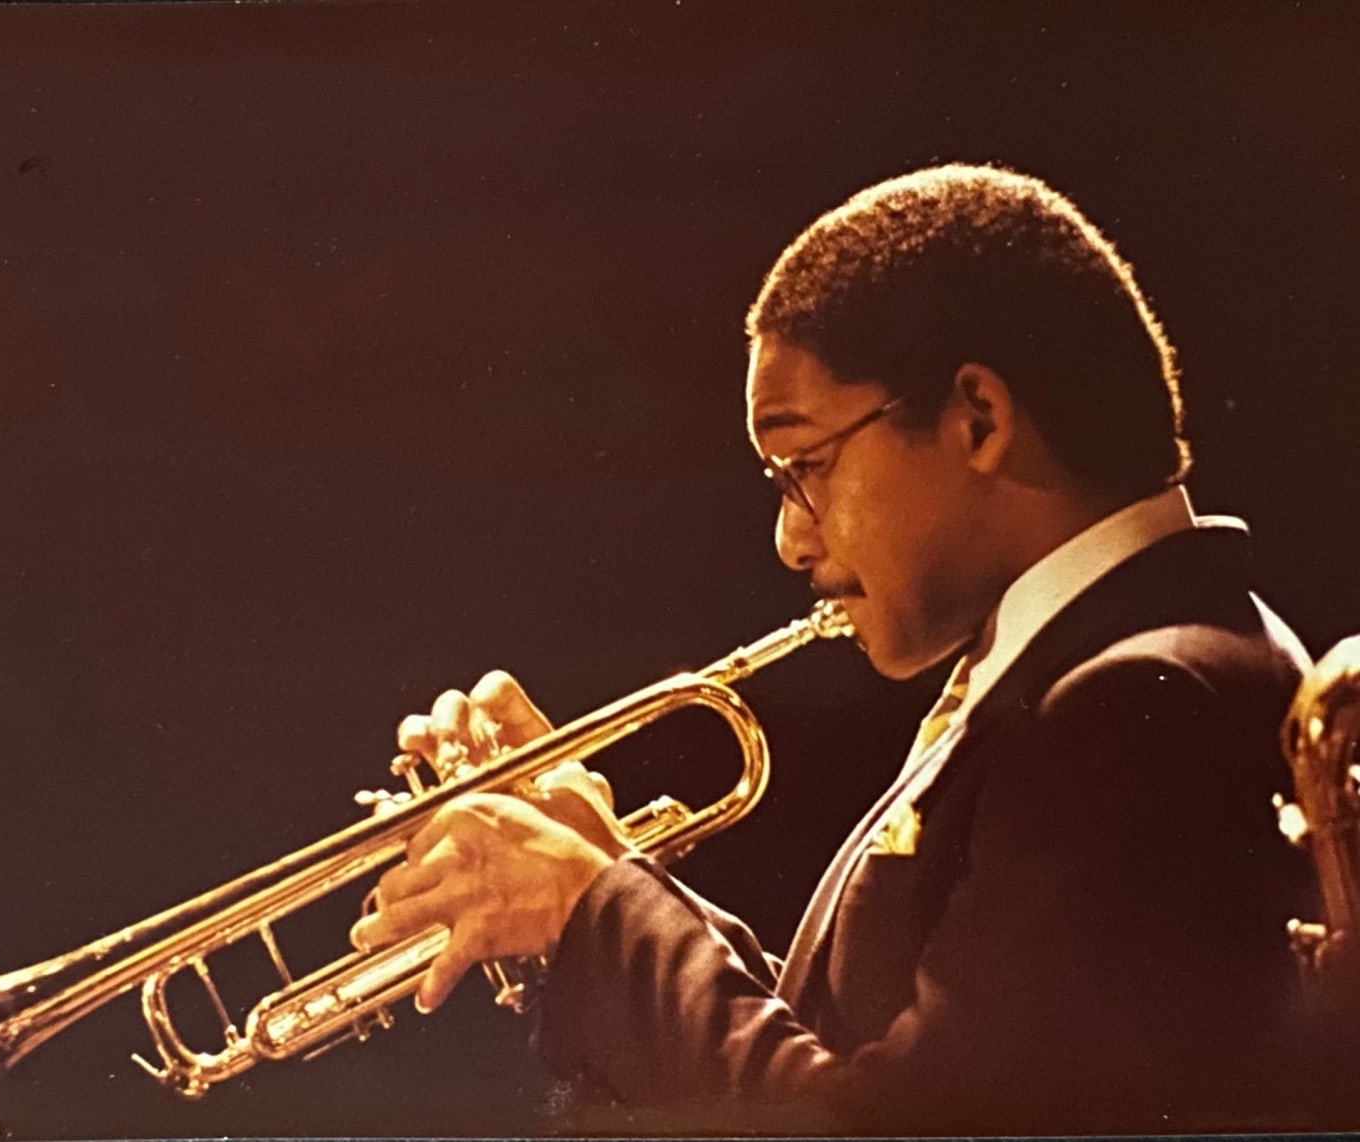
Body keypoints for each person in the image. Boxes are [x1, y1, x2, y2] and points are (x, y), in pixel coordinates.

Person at [350, 163, 1323, 1133]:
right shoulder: (1101, 673)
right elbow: (864, 1068)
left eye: (804, 466)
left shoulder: (1138, 703)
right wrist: (601, 867)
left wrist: (597, 910)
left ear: (975, 418)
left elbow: (900, 1129)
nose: (789, 538)